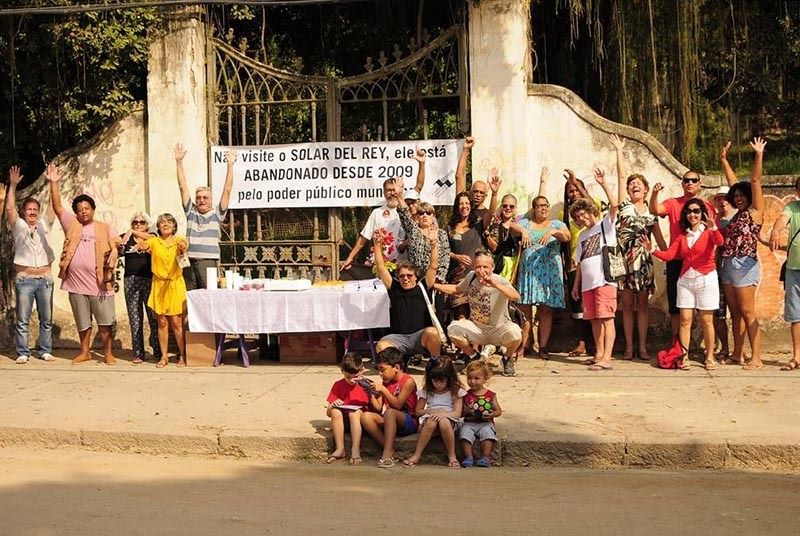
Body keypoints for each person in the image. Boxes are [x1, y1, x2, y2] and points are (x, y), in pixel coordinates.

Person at [49, 164, 120, 365]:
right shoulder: (72, 225)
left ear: (93, 210)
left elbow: (117, 242)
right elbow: (57, 207)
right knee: (82, 321)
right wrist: (53, 182)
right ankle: (85, 352)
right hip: (76, 283)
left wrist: (115, 251)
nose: (83, 212)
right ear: (76, 213)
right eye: (80, 210)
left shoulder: (104, 227)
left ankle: (108, 353)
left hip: (100, 283)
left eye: (87, 208)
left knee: (105, 322)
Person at [645, 197, 724, 370]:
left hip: (706, 278)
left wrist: (713, 228)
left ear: (702, 213)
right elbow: (670, 255)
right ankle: (684, 356)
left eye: (696, 211)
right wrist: (652, 249)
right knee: (684, 320)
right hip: (686, 280)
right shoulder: (682, 236)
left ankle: (709, 356)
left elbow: (720, 242)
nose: (692, 214)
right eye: (688, 211)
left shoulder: (709, 231)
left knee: (706, 320)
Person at [609, 134, 665, 361]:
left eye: (638, 184)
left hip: (643, 264)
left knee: (642, 306)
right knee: (626, 305)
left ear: (646, 190)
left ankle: (642, 347)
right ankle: (629, 347)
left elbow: (661, 243)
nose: (634, 186)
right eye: (632, 185)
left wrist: (664, 255)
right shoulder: (624, 206)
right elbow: (621, 176)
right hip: (624, 261)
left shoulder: (651, 214)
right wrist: (619, 151)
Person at [719, 138, 767, 369]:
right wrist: (723, 160)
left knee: (748, 312)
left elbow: (755, 180)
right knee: (735, 313)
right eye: (735, 196)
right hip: (728, 264)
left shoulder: (755, 211)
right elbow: (733, 183)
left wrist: (758, 154)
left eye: (742, 196)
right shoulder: (737, 214)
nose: (738, 199)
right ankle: (737, 353)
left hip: (744, 264)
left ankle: (756, 357)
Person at [650, 167, 716, 335]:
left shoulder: (707, 206)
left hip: (700, 263)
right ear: (682, 184)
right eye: (686, 180)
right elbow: (655, 210)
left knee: (704, 308)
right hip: (677, 260)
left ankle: (700, 344)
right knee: (676, 306)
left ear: (700, 184)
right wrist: (654, 193)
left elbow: (714, 234)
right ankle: (677, 343)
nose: (690, 183)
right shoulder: (673, 203)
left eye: (694, 180)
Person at [436, 250, 523, 377]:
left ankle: (507, 358)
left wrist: (494, 284)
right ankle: (473, 356)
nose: (481, 270)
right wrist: (435, 286)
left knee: (515, 333)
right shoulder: (471, 277)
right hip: (477, 328)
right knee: (453, 329)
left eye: (485, 267)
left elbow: (515, 296)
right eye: (478, 266)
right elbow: (456, 289)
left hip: (498, 327)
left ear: (492, 267)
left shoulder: (500, 280)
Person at [517, 169, 571, 358]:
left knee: (546, 310)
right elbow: (511, 225)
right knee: (526, 310)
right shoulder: (526, 223)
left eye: (546, 205)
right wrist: (522, 231)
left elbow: (567, 236)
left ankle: (543, 346)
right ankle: (525, 344)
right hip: (529, 272)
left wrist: (553, 232)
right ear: (534, 209)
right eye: (540, 206)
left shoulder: (556, 224)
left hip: (549, 272)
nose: (544, 208)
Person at [5, 165, 56, 364]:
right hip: (24, 279)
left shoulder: (44, 225)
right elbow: (10, 208)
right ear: (24, 212)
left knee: (47, 319)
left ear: (38, 212)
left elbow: (54, 207)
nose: (32, 212)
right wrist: (13, 185)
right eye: (29, 209)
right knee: (23, 319)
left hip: (45, 279)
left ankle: (45, 350)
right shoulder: (18, 226)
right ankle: (23, 352)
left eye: (35, 209)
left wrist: (53, 183)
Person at [569, 168, 619, 371]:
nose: (581, 219)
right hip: (587, 285)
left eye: (582, 214)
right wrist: (576, 285)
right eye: (577, 217)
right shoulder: (582, 235)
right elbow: (580, 262)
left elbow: (614, 205)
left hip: (604, 281)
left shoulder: (605, 225)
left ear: (591, 212)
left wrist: (603, 183)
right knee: (594, 320)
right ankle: (598, 353)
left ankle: (607, 357)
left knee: (606, 318)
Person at [373, 227, 442, 363]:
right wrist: (376, 244)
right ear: (398, 277)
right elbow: (381, 267)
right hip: (399, 339)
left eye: (409, 275)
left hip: (420, 338)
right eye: (402, 276)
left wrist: (433, 244)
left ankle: (435, 363)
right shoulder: (394, 287)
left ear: (416, 277)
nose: (405, 278)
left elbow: (433, 266)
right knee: (381, 346)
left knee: (432, 332)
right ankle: (397, 365)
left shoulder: (423, 286)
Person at [174, 144, 234, 290]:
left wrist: (230, 165)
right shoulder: (191, 211)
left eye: (205, 197)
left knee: (208, 295)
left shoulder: (217, 214)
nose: (201, 200)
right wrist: (179, 162)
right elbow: (182, 186)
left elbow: (227, 190)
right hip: (188, 260)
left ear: (211, 200)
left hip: (207, 261)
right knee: (190, 296)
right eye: (199, 197)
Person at [134, 214, 188, 368]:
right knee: (162, 322)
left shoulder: (178, 239)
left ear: (174, 226)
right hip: (158, 284)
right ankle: (164, 356)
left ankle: (183, 355)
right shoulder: (154, 241)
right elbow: (145, 245)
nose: (165, 224)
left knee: (176, 322)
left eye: (169, 222)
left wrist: (182, 246)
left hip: (175, 284)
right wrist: (140, 244)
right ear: (157, 227)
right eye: (162, 222)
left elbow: (184, 245)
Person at [553, 168, 597, 357]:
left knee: (594, 304)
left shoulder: (593, 211)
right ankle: (582, 342)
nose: (574, 193)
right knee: (578, 305)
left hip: (594, 265)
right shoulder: (564, 216)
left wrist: (576, 182)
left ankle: (596, 344)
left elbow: (592, 205)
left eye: (576, 189)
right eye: (570, 190)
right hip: (574, 266)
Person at [447, 170, 500, 320]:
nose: (464, 206)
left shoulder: (478, 223)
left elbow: (490, 213)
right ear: (457, 206)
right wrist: (456, 256)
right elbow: (444, 251)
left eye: (466, 203)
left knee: (479, 318)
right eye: (460, 203)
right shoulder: (450, 227)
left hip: (478, 277)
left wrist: (494, 193)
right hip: (458, 279)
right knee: (461, 318)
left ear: (470, 206)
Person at [360, 347, 419, 468]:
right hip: (389, 419)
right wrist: (371, 394)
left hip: (408, 421)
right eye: (379, 370)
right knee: (366, 417)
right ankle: (390, 449)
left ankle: (386, 455)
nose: (380, 374)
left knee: (390, 413)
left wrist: (384, 391)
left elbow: (398, 405)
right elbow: (378, 408)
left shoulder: (408, 381)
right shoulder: (386, 383)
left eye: (383, 370)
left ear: (396, 367)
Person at [402, 358, 466, 469]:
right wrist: (431, 411)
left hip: (449, 420)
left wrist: (444, 414)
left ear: (449, 378)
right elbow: (418, 411)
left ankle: (452, 456)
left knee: (444, 422)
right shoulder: (428, 389)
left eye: (442, 381)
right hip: (430, 420)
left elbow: (457, 413)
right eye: (435, 381)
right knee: (432, 421)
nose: (438, 384)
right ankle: (417, 454)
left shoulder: (455, 390)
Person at [119, 212, 160, 364]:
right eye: (135, 222)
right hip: (131, 280)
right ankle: (138, 353)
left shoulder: (152, 236)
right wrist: (115, 247)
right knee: (135, 318)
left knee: (153, 317)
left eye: (141, 222)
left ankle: (158, 350)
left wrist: (132, 232)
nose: (138, 224)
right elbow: (113, 242)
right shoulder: (127, 237)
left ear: (147, 225)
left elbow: (154, 240)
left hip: (149, 280)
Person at [770, 177, 800, 371]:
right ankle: (797, 356)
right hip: (794, 269)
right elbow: (782, 219)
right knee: (796, 315)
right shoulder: (792, 208)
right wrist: (775, 231)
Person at [395, 177, 450, 283]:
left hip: (434, 280)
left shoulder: (441, 233)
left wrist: (438, 279)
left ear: (433, 215)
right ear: (417, 216)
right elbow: (404, 213)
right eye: (421, 213)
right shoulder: (413, 230)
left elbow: (445, 258)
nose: (424, 215)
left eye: (428, 213)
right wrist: (399, 196)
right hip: (415, 280)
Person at [324, 352, 371, 465]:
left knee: (353, 413)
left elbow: (376, 408)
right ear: (342, 371)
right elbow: (329, 413)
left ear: (362, 370)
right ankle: (340, 448)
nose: (351, 380)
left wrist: (371, 390)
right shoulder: (338, 385)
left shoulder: (367, 385)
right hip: (343, 423)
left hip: (360, 421)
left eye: (355, 377)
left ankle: (355, 449)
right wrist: (333, 405)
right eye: (348, 377)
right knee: (335, 411)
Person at [460, 360, 502, 468]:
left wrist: (492, 414)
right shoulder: (465, 395)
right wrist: (466, 411)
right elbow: (460, 413)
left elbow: (499, 411)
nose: (472, 381)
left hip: (486, 423)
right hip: (469, 423)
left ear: (485, 378)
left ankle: (485, 457)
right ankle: (468, 457)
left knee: (487, 434)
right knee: (464, 433)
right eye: (469, 378)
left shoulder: (491, 395)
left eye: (476, 378)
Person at [712, 185, 735, 362]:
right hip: (716, 273)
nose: (722, 201)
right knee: (718, 314)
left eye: (725, 198)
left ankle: (738, 350)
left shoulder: (737, 219)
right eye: (719, 199)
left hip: (735, 273)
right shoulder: (712, 221)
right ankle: (724, 348)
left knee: (738, 313)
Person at [455, 136, 495, 222]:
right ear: (470, 192)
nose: (478, 195)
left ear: (485, 196)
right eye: (475, 191)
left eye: (481, 192)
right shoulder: (464, 207)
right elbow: (459, 176)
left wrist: (494, 192)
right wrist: (466, 150)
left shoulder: (487, 214)